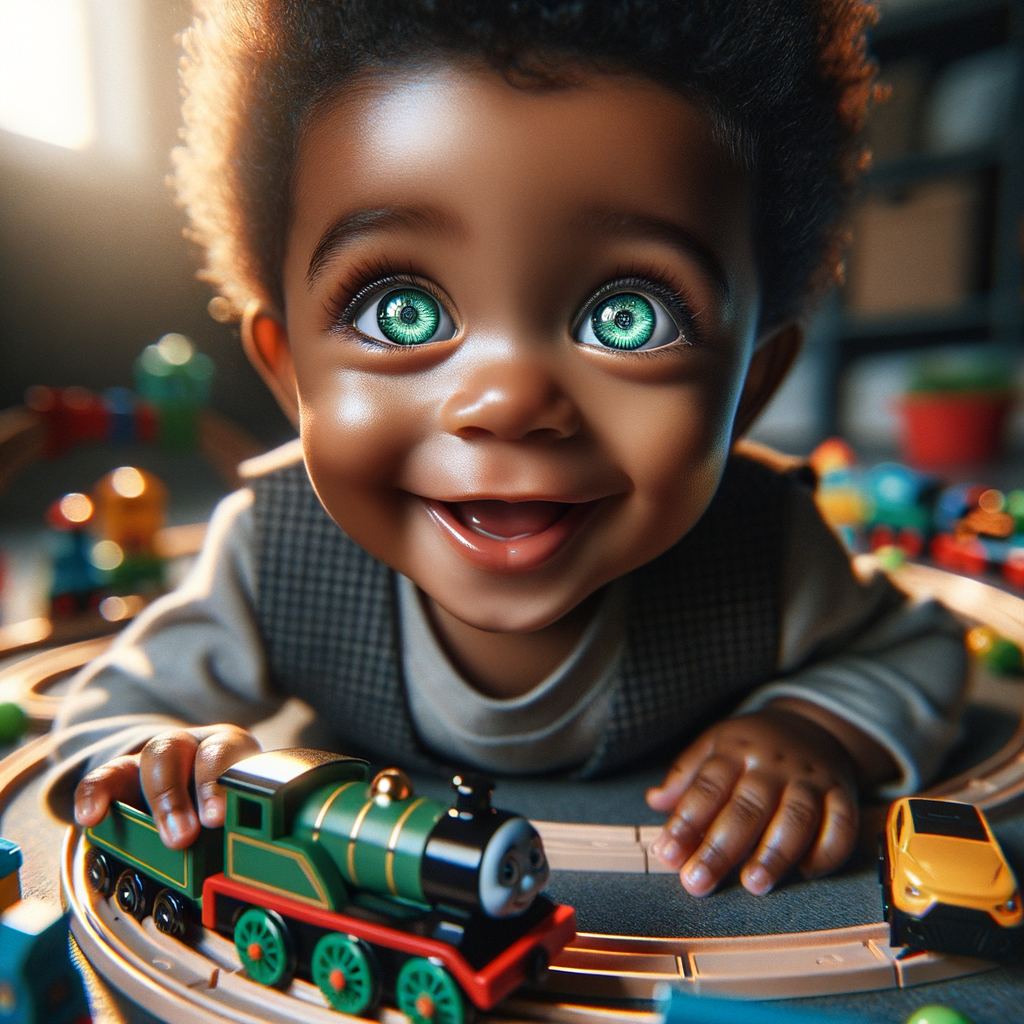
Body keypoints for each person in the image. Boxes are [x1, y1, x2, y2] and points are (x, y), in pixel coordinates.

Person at [62, 0, 966, 900]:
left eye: (629, 317)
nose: (511, 403)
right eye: (402, 311)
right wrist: (161, 762)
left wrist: (813, 726)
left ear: (752, 385)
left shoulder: (764, 551)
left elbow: (920, 651)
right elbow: (110, 713)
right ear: (289, 369)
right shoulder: (274, 550)